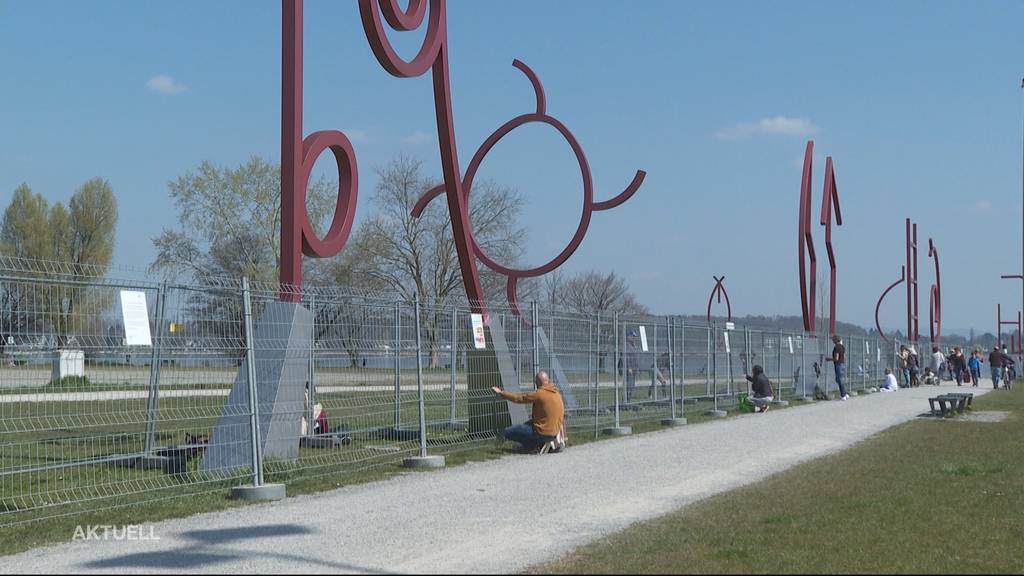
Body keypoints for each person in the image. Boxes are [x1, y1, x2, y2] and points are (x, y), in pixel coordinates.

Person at [493, 370, 566, 454]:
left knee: (510, 431)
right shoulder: (557, 394)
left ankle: (529, 446)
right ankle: (536, 445)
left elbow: (519, 398)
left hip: (541, 433)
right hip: (553, 433)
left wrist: (501, 393)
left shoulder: (540, 393)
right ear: (548, 380)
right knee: (526, 425)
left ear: (537, 382)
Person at [825, 335, 849, 401]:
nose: (832, 341)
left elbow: (836, 358)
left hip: (838, 364)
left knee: (839, 380)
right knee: (841, 379)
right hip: (843, 363)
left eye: (833, 340)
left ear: (836, 340)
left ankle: (843, 395)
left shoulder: (836, 347)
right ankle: (844, 393)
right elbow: (844, 356)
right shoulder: (842, 347)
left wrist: (829, 359)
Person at [623, 331, 640, 403]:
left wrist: (637, 368)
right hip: (629, 369)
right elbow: (626, 358)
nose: (634, 338)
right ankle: (625, 400)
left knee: (632, 385)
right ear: (629, 337)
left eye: (635, 337)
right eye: (632, 336)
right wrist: (629, 367)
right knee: (629, 384)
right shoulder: (627, 346)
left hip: (634, 368)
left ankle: (628, 399)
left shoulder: (634, 346)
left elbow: (636, 357)